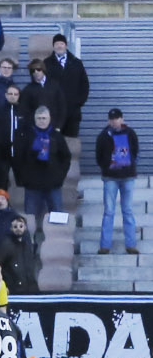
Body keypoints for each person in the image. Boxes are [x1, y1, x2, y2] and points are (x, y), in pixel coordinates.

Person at [14, 105, 72, 229]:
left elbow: (66, 157)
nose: (42, 120)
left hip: (53, 184)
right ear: (35, 119)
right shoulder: (27, 136)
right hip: (32, 185)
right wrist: (24, 178)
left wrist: (60, 176)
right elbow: (19, 158)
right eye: (39, 118)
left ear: (49, 119)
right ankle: (30, 244)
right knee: (30, 219)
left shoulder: (56, 136)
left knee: (57, 217)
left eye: (44, 118)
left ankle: (57, 245)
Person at [95, 108, 140, 255]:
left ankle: (131, 245)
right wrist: (107, 167)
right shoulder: (103, 136)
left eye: (117, 118)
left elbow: (135, 151)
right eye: (112, 118)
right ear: (108, 120)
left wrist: (129, 165)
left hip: (127, 177)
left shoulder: (130, 133)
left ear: (122, 119)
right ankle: (105, 246)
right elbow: (98, 155)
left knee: (127, 210)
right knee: (109, 211)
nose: (114, 121)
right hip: (110, 178)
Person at [44, 34, 89, 137]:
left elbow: (85, 85)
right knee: (54, 144)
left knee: (71, 144)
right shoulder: (46, 64)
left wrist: (78, 102)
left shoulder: (76, 63)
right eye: (57, 44)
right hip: (53, 112)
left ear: (66, 46)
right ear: (53, 46)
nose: (59, 46)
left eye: (62, 43)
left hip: (73, 113)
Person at [0, 215, 41, 294]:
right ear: (11, 229)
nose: (18, 229)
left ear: (25, 228)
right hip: (13, 288)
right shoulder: (6, 244)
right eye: (15, 227)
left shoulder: (28, 244)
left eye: (21, 226)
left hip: (30, 287)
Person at [21, 59, 65, 131]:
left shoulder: (54, 86)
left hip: (53, 129)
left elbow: (62, 107)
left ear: (43, 70)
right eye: (33, 70)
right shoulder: (27, 90)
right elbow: (24, 111)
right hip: (35, 130)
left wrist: (58, 126)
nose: (36, 72)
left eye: (38, 69)